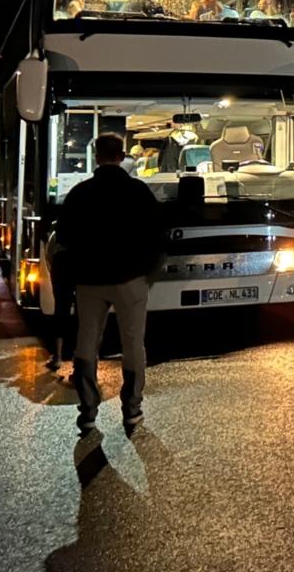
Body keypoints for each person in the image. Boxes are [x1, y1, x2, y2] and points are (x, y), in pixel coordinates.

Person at [57, 134, 165, 434]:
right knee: (133, 345)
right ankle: (131, 410)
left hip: (89, 281)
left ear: (96, 157)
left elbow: (64, 238)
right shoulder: (138, 192)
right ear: (121, 156)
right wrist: (146, 272)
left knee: (87, 344)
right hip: (130, 280)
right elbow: (157, 235)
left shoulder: (80, 194)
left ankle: (88, 411)